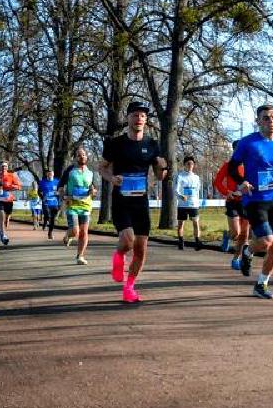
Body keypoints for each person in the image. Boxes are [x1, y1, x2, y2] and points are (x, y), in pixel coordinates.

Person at [227, 104, 273, 300]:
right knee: (266, 241)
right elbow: (233, 167)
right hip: (255, 199)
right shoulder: (248, 143)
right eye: (266, 118)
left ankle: (261, 283)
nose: (271, 121)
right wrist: (242, 182)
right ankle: (248, 250)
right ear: (258, 121)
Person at [99, 101, 167, 303]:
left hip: (141, 201)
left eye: (143, 116)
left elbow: (160, 175)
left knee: (141, 248)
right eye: (135, 115)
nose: (139, 119)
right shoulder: (116, 143)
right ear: (128, 118)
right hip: (121, 200)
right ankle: (118, 257)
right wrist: (112, 179)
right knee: (128, 241)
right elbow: (102, 167)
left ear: (146, 120)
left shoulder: (152, 145)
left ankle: (129, 287)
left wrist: (163, 168)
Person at [213, 140, 250, 270]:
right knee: (236, 232)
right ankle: (228, 235)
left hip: (246, 202)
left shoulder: (248, 165)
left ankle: (236, 259)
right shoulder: (228, 165)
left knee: (245, 234)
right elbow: (217, 182)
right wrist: (226, 192)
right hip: (232, 201)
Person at [59, 147, 98, 265]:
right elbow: (60, 187)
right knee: (75, 231)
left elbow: (94, 190)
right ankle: (67, 236)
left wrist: (93, 191)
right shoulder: (70, 170)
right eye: (79, 155)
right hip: (72, 205)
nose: (82, 157)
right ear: (75, 158)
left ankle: (80, 256)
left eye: (84, 155)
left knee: (84, 232)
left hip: (86, 205)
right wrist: (64, 197)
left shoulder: (90, 173)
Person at [174, 156, 202, 251]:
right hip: (182, 204)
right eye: (188, 164)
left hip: (193, 204)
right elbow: (176, 189)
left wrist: (198, 202)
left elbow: (198, 190)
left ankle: (197, 242)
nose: (190, 165)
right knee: (181, 224)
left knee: (196, 222)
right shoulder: (180, 176)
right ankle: (181, 241)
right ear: (184, 165)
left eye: (192, 164)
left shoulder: (196, 177)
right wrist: (181, 196)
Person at [0, 160, 22, 245]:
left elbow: (19, 186)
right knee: (1, 217)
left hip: (9, 199)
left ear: (7, 167)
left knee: (7, 219)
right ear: (0, 167)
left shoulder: (11, 175)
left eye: (5, 166)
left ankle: (2, 231)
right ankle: (3, 235)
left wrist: (10, 186)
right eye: (2, 166)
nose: (4, 167)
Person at [39, 169, 60, 240]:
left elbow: (60, 191)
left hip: (54, 203)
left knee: (53, 219)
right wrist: (42, 197)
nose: (50, 175)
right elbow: (39, 192)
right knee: (48, 216)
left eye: (51, 174)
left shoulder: (57, 181)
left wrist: (58, 194)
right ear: (46, 174)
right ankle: (46, 220)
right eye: (48, 174)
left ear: (53, 174)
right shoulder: (42, 182)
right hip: (46, 202)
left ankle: (50, 233)